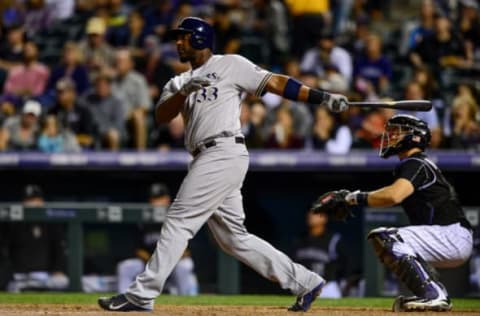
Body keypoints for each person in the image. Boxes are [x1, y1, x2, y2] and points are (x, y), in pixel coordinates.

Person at [98, 16, 348, 312]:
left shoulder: (231, 64)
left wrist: (321, 98)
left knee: (179, 220)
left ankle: (142, 294)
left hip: (224, 149)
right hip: (204, 157)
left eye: (184, 36)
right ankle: (306, 282)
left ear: (201, 38)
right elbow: (162, 116)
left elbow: (276, 83)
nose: (178, 42)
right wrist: (184, 90)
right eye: (177, 37)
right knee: (234, 239)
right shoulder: (178, 80)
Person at [312, 114, 473, 312]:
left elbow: (394, 195)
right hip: (449, 235)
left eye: (398, 132)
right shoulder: (414, 164)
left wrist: (352, 198)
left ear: (414, 137)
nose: (391, 137)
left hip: (451, 234)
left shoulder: (416, 163)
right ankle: (429, 294)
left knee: (386, 237)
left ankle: (434, 294)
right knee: (389, 241)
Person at [116, 183, 198, 296]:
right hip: (148, 263)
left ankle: (187, 302)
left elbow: (187, 250)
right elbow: (137, 249)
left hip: (173, 264)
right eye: (154, 199)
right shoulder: (143, 221)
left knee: (184, 266)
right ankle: (123, 299)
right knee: (125, 267)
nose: (156, 203)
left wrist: (166, 261)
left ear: (167, 199)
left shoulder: (178, 218)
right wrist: (154, 262)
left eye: (160, 198)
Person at [0, 184, 69, 292]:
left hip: (44, 277)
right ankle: (28, 287)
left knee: (63, 282)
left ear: (41, 201)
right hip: (18, 277)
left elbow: (59, 248)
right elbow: (4, 251)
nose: (31, 203)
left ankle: (31, 287)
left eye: (35, 200)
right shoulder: (13, 224)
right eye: (28, 200)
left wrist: (57, 270)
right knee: (13, 286)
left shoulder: (50, 223)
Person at [291, 210, 348, 298]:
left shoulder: (333, 239)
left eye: (315, 213)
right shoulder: (299, 240)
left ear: (324, 218)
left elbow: (346, 264)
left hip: (327, 288)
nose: (310, 215)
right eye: (309, 212)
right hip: (304, 287)